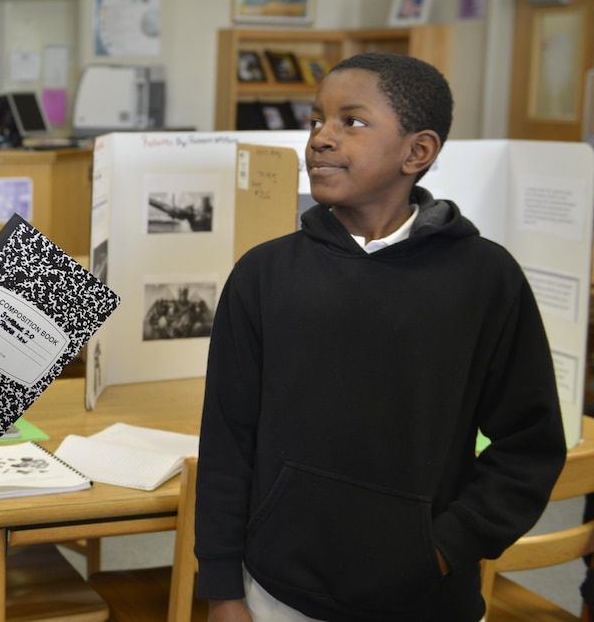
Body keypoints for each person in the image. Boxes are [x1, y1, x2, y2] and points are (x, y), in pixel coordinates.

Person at [195, 51, 566, 622]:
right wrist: (222, 588)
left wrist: (441, 551)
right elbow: (227, 442)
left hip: (428, 601)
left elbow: (529, 447)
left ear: (417, 152)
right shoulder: (263, 276)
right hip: (275, 595)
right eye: (316, 119)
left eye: (353, 122)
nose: (321, 137)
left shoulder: (486, 279)